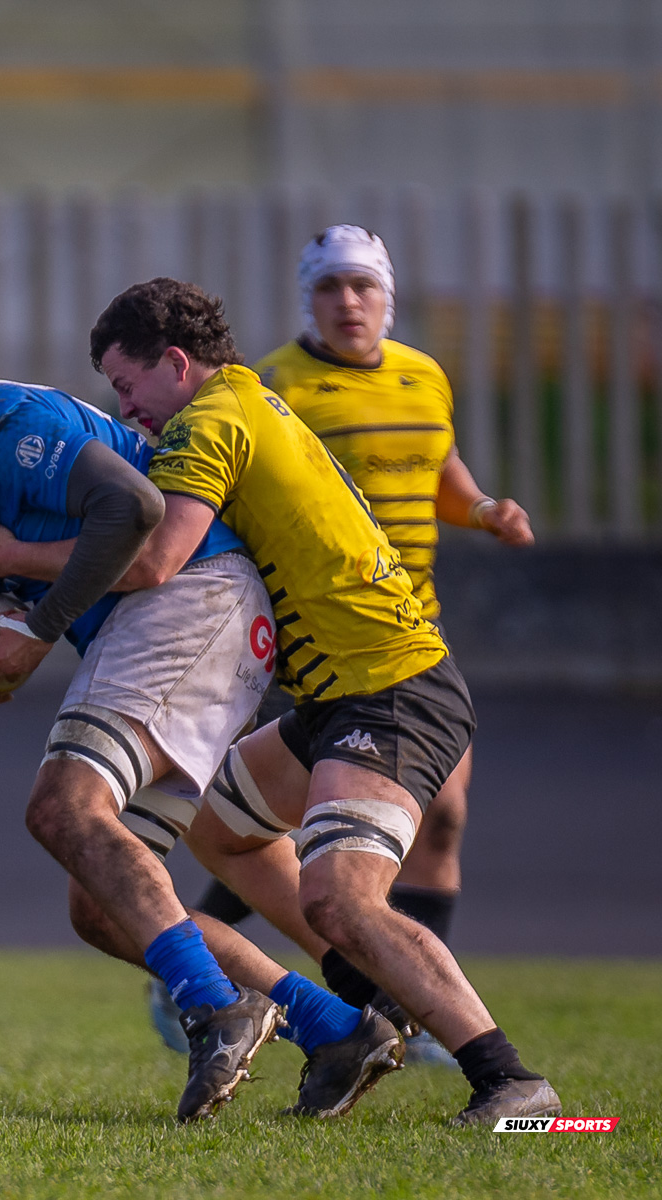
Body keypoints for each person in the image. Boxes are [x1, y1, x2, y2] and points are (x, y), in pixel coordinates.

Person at [0, 363, 403, 1121]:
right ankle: (337, 1028)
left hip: (193, 597)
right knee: (102, 907)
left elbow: (134, 506)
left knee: (62, 809)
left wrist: (37, 630)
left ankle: (218, 1009)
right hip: (172, 628)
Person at [92, 277, 558, 1126]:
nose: (127, 411)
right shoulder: (248, 396)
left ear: (175, 363)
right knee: (217, 829)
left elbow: (158, 563)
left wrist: (17, 561)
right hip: (343, 692)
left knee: (338, 898)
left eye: (127, 387)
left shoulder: (209, 422)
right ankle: (366, 1009)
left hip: (390, 688)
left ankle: (511, 1083)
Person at [182, 226, 534, 1068]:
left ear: (388, 296)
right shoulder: (274, 385)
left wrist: (483, 508)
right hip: (318, 639)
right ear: (310, 297)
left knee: (431, 822)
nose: (348, 302)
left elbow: (435, 465)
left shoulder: (424, 376)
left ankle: (412, 1016)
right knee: (300, 838)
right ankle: (263, 979)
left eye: (363, 287)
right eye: (331, 287)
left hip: (411, 637)